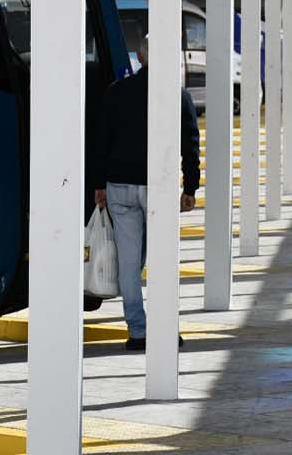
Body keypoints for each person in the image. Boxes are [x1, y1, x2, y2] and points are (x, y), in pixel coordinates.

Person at [92, 37, 201, 351]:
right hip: (160, 188)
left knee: (129, 262)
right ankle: (165, 328)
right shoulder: (178, 96)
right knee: (162, 260)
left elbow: (101, 142)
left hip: (119, 187)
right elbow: (189, 144)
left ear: (139, 58)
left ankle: (138, 332)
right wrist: (190, 187)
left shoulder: (116, 92)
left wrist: (100, 184)